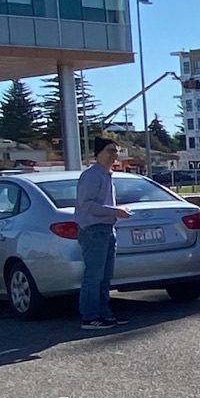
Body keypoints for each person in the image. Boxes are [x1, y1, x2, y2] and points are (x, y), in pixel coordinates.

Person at [75, 136, 133, 330]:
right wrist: (115, 211)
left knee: (105, 276)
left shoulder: (108, 175)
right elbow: (87, 204)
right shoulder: (92, 175)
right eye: (110, 150)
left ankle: (104, 313)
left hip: (108, 229)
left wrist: (115, 213)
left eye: (116, 151)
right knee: (94, 276)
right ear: (98, 153)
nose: (113, 155)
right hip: (93, 231)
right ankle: (90, 316)